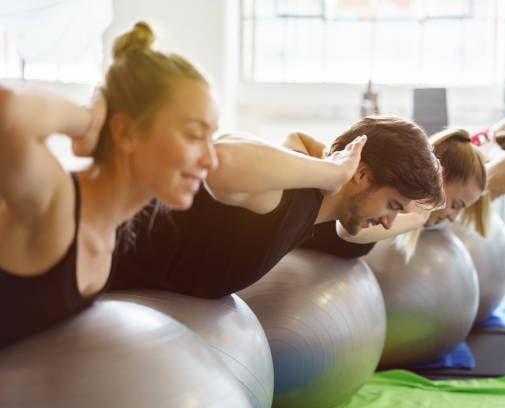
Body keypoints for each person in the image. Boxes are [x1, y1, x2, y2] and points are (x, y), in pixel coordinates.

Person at [0, 21, 218, 348]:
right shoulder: (55, 205)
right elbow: (10, 111)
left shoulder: (105, 237)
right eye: (192, 135)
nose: (211, 160)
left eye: (211, 138)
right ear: (126, 132)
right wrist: (88, 121)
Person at [110, 115, 445, 298]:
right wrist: (332, 170)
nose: (388, 222)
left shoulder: (316, 214)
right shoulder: (291, 195)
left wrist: (418, 217)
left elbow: (354, 235)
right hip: (74, 243)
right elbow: (219, 157)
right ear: (361, 173)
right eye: (392, 205)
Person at [300, 128, 487, 258]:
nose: (454, 218)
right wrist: (419, 217)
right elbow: (349, 233)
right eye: (456, 205)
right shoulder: (400, 199)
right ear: (441, 177)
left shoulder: (401, 208)